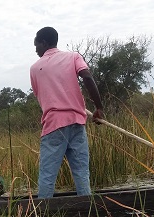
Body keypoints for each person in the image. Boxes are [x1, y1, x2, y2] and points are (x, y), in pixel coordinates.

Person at [30, 26, 104, 199]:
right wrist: (99, 108)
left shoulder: (35, 69)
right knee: (81, 172)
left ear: (44, 42)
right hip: (77, 122)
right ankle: (86, 211)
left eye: (37, 46)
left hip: (54, 126)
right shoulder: (73, 57)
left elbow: (40, 94)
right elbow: (87, 76)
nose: (36, 50)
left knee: (48, 175)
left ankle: (43, 215)